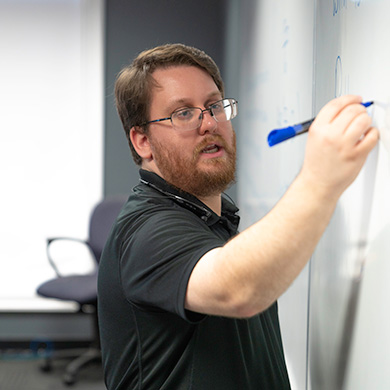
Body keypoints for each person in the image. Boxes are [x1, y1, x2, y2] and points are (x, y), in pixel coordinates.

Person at [97, 43, 378, 390]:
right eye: (183, 113)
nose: (210, 123)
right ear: (143, 141)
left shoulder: (214, 218)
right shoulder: (145, 232)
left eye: (214, 106)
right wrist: (320, 179)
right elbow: (239, 289)